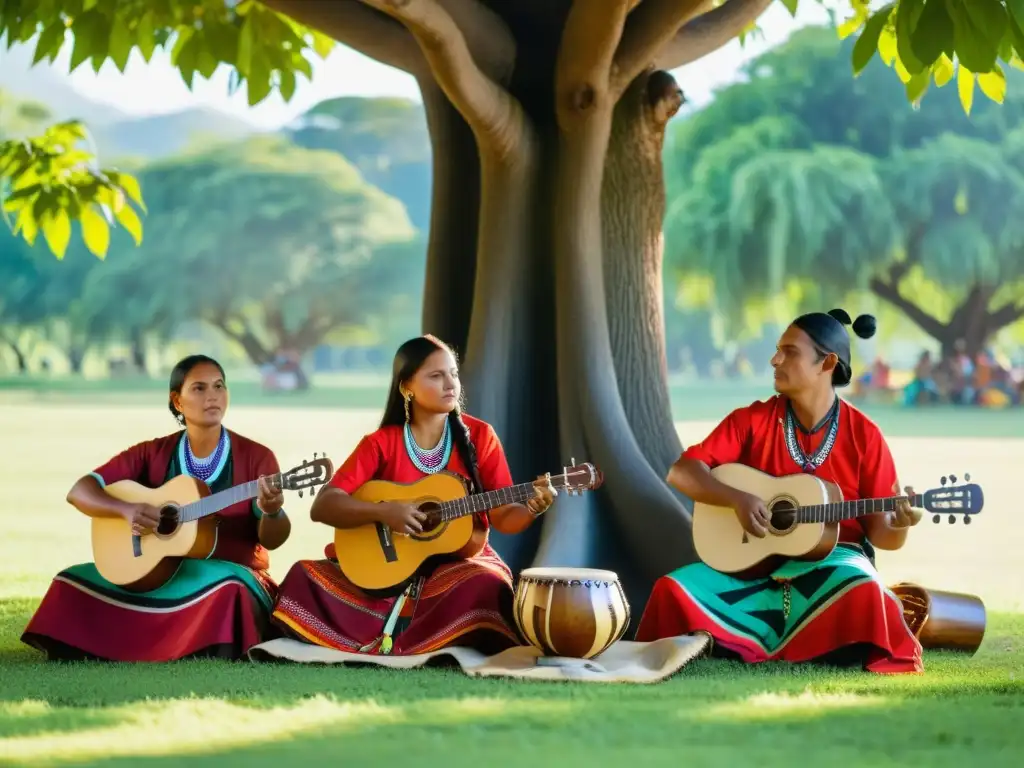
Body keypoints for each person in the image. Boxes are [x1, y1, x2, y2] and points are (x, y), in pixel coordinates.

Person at [635, 309, 925, 674]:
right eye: (777, 350)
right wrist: (737, 499)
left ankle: (733, 639)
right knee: (672, 588)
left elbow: (882, 535)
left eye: (789, 352)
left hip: (833, 570)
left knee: (863, 588)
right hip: (752, 570)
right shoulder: (751, 420)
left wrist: (901, 523)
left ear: (828, 363)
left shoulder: (864, 434)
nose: (775, 360)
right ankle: (809, 642)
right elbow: (682, 472)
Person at [270, 335, 554, 656]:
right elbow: (324, 505)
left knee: (486, 586)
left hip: (457, 565)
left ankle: (403, 637)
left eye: (453, 373)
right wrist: (384, 513)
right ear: (407, 387)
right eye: (436, 376)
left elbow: (504, 517)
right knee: (303, 576)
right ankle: (414, 636)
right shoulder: (381, 443)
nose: (451, 384)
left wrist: (531, 508)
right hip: (387, 565)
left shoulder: (480, 437)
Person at [21, 355, 292, 661]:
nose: (213, 395)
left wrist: (272, 511)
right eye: (199, 388)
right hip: (157, 573)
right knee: (69, 580)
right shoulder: (151, 452)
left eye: (219, 386)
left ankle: (131, 644)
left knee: (228, 591)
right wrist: (125, 510)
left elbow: (273, 539)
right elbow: (80, 491)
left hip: (227, 574)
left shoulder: (257, 457)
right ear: (177, 401)